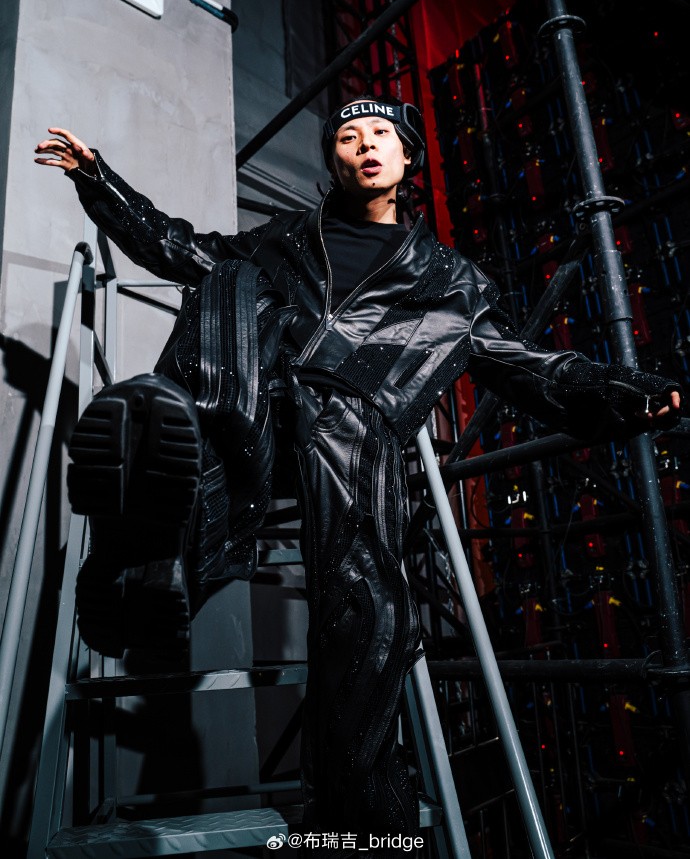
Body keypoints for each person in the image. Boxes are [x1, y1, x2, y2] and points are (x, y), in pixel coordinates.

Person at [35, 97, 681, 853]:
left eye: (380, 135)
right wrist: (98, 179)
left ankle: (358, 824)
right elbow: (177, 246)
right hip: (248, 411)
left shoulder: (453, 282)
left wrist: (627, 391)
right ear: (334, 162)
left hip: (351, 441)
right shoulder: (281, 240)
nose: (365, 145)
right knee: (227, 277)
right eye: (347, 137)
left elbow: (529, 366)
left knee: (366, 609)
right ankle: (152, 526)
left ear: (407, 159)